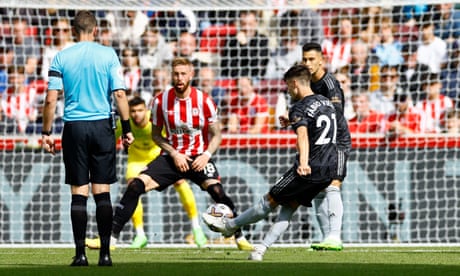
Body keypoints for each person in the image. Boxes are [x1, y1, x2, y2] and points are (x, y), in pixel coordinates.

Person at [107, 57, 253, 251]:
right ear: (171, 76)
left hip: (199, 157)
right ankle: (111, 239)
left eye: (183, 73)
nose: (179, 78)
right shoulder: (160, 101)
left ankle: (239, 236)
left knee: (218, 192)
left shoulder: (205, 101)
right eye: (176, 74)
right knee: (135, 186)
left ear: (191, 75)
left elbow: (217, 134)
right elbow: (157, 135)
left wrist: (206, 155)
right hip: (171, 156)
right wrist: (174, 153)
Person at [202, 64, 339, 261]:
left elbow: (302, 136)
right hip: (329, 166)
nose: (288, 91)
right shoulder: (326, 102)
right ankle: (260, 251)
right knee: (289, 206)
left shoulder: (299, 107)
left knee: (269, 201)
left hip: (309, 166)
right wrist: (292, 120)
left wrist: (303, 162)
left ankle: (230, 225)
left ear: (294, 84)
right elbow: (317, 125)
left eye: (288, 87)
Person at [41, 10, 134, 266]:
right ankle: (105, 254)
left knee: (78, 192)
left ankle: (80, 254)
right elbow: (120, 95)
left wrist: (46, 132)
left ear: (73, 31)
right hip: (102, 125)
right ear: (95, 30)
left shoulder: (61, 56)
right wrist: (127, 129)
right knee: (102, 191)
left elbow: (51, 98)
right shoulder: (108, 55)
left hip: (75, 127)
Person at [86, 96, 208, 249]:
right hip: (136, 159)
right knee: (133, 186)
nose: (137, 114)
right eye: (133, 111)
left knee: (179, 180)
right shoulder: (125, 123)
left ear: (146, 110)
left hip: (157, 155)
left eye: (140, 110)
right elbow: (109, 141)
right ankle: (140, 234)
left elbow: (173, 135)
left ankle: (196, 228)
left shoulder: (155, 120)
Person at [301, 42, 352, 251]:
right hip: (318, 143)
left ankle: (335, 236)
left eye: (311, 59)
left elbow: (336, 115)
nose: (307, 63)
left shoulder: (330, 85)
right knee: (319, 191)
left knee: (333, 184)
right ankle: (325, 238)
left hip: (337, 141)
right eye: (304, 59)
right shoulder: (305, 84)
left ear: (322, 60)